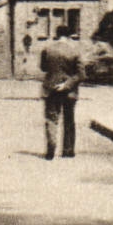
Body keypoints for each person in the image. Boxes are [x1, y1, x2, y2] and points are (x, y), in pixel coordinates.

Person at [39, 24, 84, 160]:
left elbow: (43, 68)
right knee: (69, 119)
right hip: (69, 91)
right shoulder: (75, 51)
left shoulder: (47, 49)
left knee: (51, 119)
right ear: (70, 35)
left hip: (51, 89)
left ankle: (51, 146)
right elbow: (81, 74)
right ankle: (68, 150)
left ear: (57, 34)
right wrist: (67, 84)